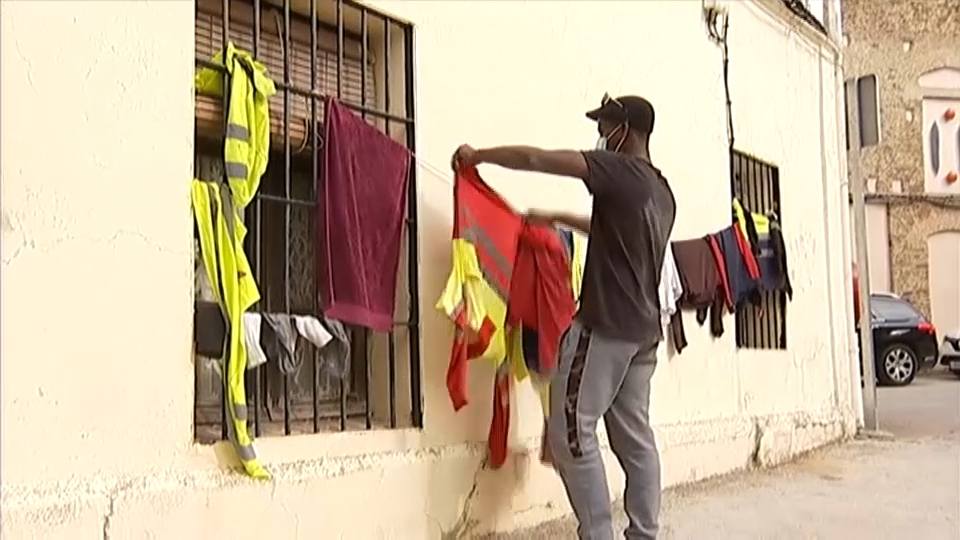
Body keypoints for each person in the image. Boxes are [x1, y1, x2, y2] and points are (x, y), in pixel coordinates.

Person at [451, 94, 676, 540]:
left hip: (605, 327)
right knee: (635, 438)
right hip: (644, 337)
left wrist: (479, 156)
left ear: (624, 130)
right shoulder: (660, 190)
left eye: (605, 125)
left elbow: (539, 158)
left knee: (571, 435)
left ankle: (598, 534)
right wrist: (556, 217)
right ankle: (644, 534)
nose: (600, 135)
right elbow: (609, 230)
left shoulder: (617, 170)